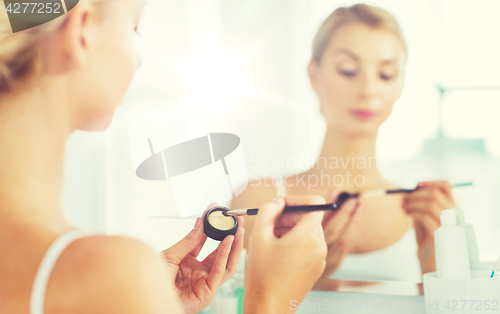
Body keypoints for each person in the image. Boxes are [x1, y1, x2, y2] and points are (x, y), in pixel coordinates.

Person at [0, 0, 337, 313]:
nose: (138, 59)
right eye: (134, 29)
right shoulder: (107, 274)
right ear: (82, 32)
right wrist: (275, 298)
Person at [232, 3, 457, 282]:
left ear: (400, 85)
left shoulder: (425, 214)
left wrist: (436, 269)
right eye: (348, 70)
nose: (368, 89)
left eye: (386, 74)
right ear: (314, 75)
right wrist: (306, 277)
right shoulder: (259, 202)